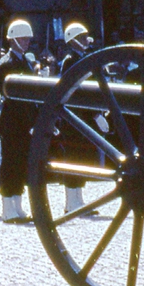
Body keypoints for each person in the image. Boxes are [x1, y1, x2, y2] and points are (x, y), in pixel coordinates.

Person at [0, 19, 37, 223]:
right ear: (12, 40)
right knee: (10, 163)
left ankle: (17, 204)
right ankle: (7, 206)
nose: (27, 42)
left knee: (20, 164)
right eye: (23, 38)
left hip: (24, 121)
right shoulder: (6, 64)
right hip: (11, 121)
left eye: (28, 38)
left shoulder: (26, 62)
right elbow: (9, 95)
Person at [58, 22, 93, 214]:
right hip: (72, 116)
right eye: (81, 38)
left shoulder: (83, 58)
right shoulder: (70, 61)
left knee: (81, 157)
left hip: (82, 115)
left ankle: (78, 199)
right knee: (73, 156)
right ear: (72, 40)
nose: (85, 40)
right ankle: (71, 201)